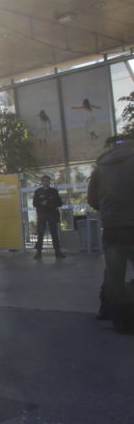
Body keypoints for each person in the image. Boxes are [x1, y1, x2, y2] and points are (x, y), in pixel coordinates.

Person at [87, 139, 134, 334]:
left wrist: (108, 210)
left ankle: (120, 321)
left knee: (114, 274)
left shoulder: (100, 168)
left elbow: (92, 200)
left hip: (113, 227)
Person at [32, 175, 65, 260]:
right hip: (42, 215)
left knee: (54, 234)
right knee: (40, 234)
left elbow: (60, 203)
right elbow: (34, 203)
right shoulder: (38, 191)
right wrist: (41, 203)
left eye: (47, 180)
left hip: (52, 214)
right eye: (44, 180)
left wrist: (50, 203)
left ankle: (57, 252)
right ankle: (38, 252)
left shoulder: (54, 191)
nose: (46, 182)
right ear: (41, 182)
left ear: (50, 181)